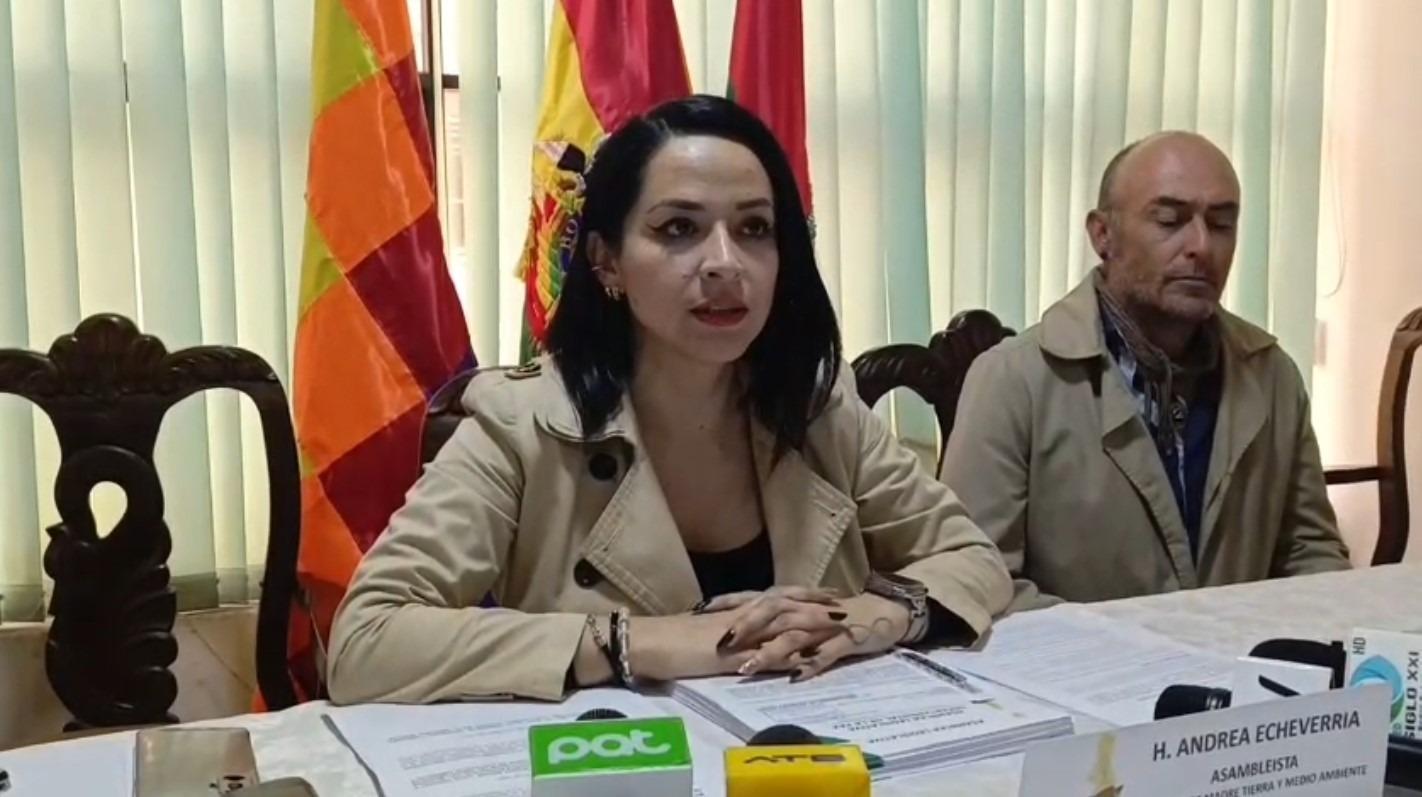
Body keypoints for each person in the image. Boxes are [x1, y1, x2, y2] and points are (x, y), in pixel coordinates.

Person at [327, 95, 1012, 704]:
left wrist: (867, 617)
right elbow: (366, 640)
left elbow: (974, 560)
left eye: (754, 229)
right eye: (679, 229)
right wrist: (642, 642)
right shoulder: (521, 424)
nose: (725, 263)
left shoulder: (818, 408)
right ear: (607, 261)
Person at [943, 131, 1350, 611]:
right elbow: (977, 583)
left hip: (1244, 655)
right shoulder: (1014, 379)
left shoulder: (1271, 375)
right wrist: (1133, 643)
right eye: (1169, 221)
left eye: (1221, 224)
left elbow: (1311, 553)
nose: (1201, 246)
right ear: (1102, 235)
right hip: (1077, 658)